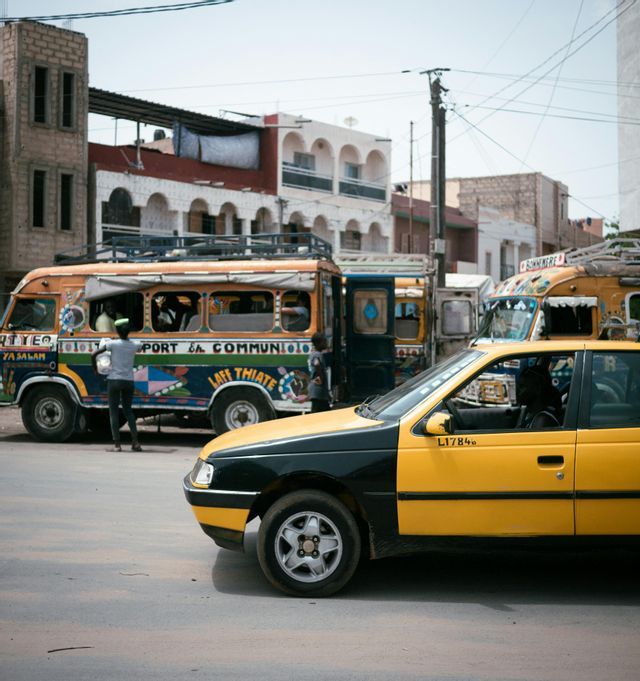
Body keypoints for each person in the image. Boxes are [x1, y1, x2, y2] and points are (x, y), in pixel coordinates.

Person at [92, 318, 142, 451]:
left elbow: (94, 354)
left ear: (117, 332)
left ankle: (117, 445)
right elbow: (140, 347)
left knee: (113, 412)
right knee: (128, 411)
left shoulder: (112, 344)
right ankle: (135, 442)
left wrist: (95, 369)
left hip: (114, 380)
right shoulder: (134, 344)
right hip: (128, 381)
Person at [307, 331, 331, 413]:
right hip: (318, 392)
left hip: (318, 392)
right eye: (324, 342)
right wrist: (321, 377)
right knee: (317, 414)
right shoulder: (317, 354)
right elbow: (316, 364)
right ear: (318, 343)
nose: (326, 343)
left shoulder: (313, 354)